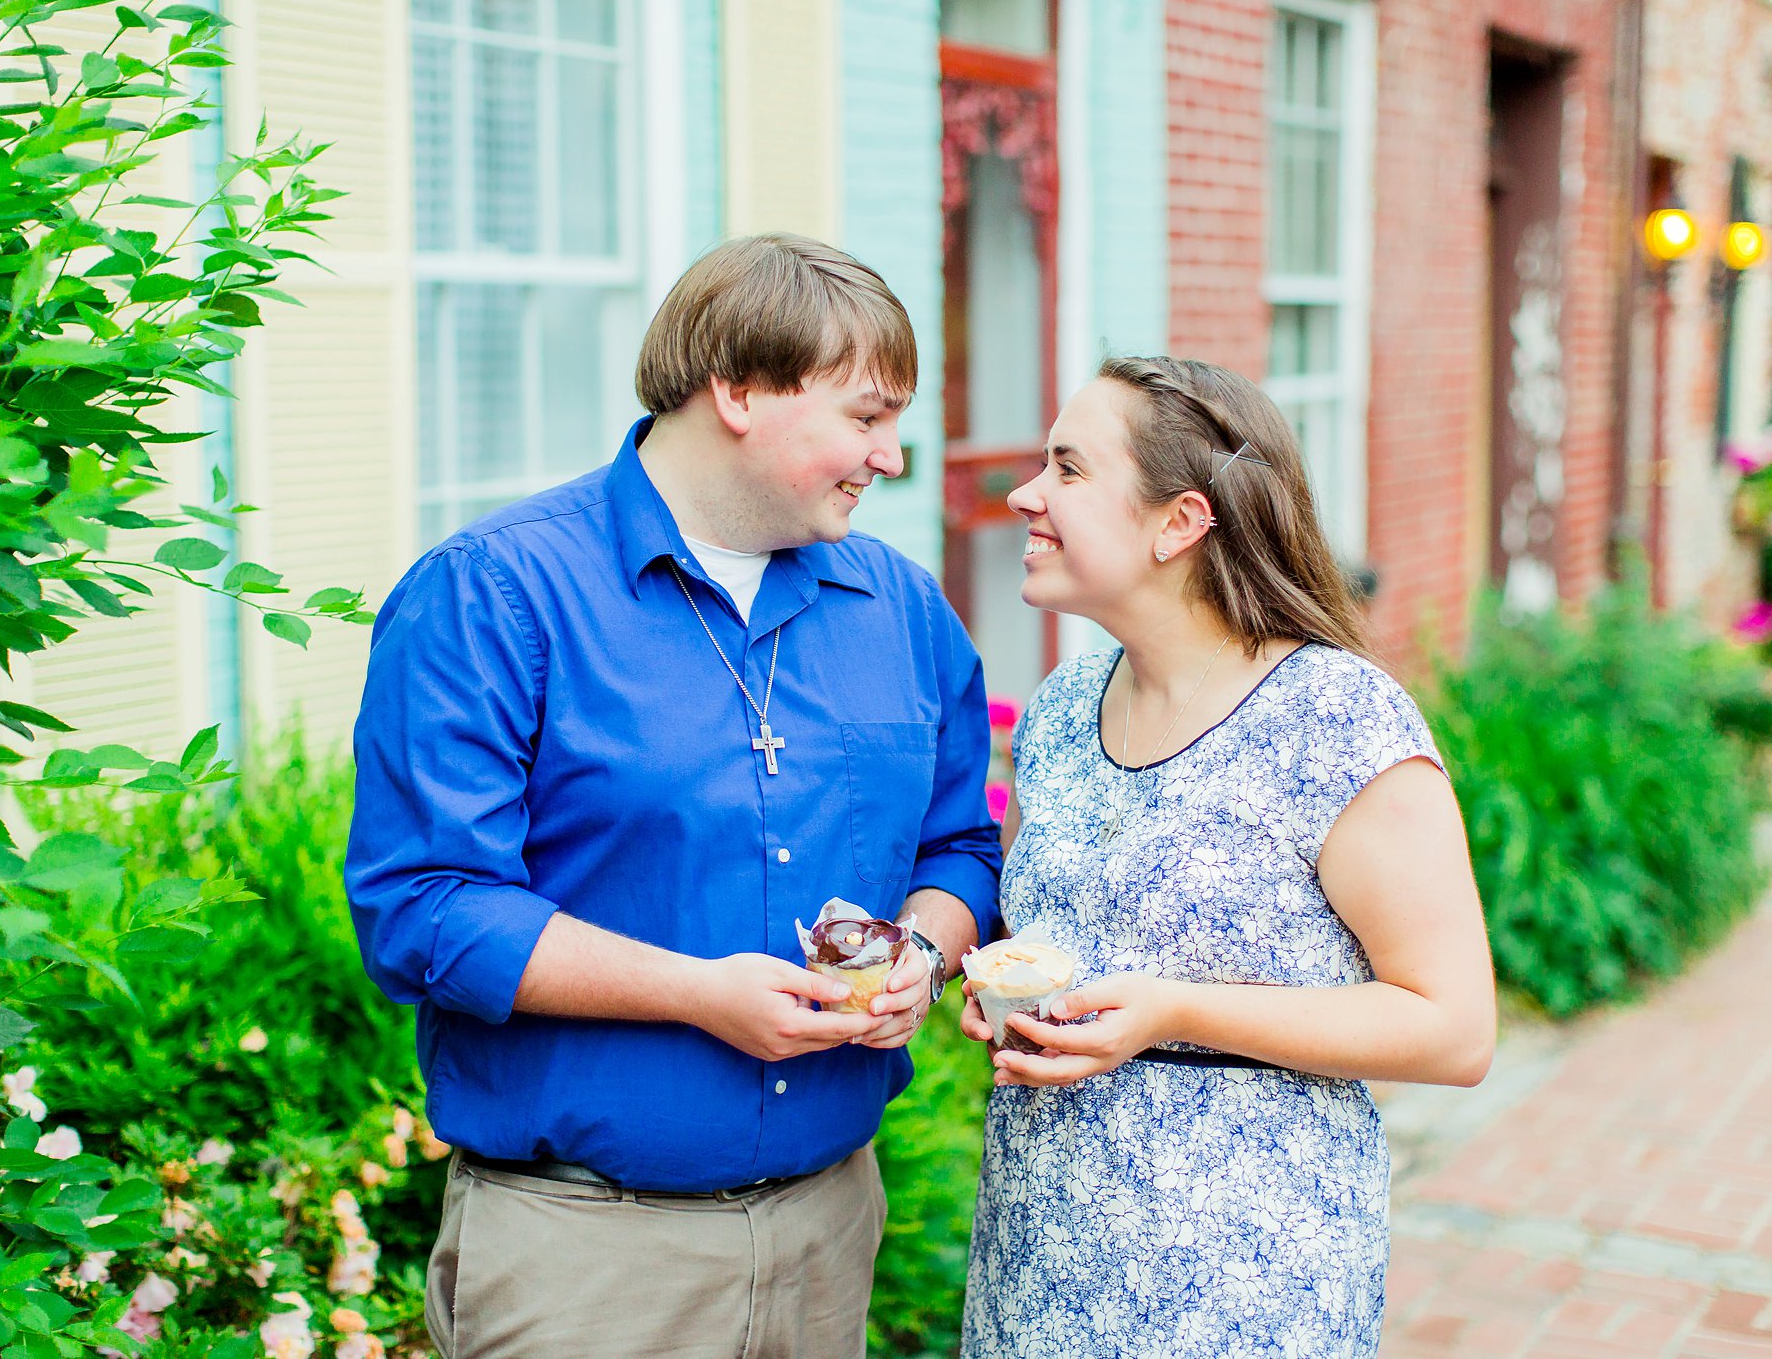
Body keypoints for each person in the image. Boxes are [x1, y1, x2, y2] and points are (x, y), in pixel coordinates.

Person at [345, 233, 1002, 1359]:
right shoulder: (496, 592)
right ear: (736, 389)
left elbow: (959, 847)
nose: (891, 456)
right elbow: (424, 908)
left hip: (830, 1231)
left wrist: (925, 958)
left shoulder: (899, 606)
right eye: (864, 416)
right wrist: (698, 993)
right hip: (582, 1257)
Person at [958, 355, 1496, 1357]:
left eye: (1067, 470)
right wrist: (1013, 1003)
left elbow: (1453, 1029)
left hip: (1240, 1281)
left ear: (1179, 523)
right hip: (1040, 1252)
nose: (1025, 494)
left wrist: (1172, 1008)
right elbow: (1063, 942)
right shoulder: (1062, 712)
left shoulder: (1335, 720)